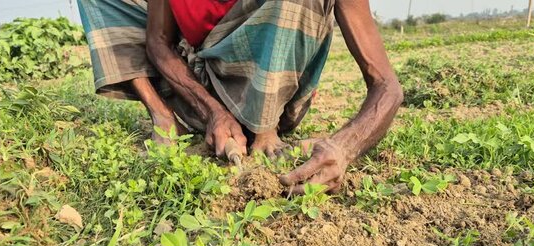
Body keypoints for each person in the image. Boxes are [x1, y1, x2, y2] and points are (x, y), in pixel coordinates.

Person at [78, 0, 403, 193]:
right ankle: (163, 117)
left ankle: (265, 129)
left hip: (275, 85)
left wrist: (344, 148)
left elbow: (387, 86)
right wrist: (212, 112)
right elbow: (158, 42)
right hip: (201, 81)